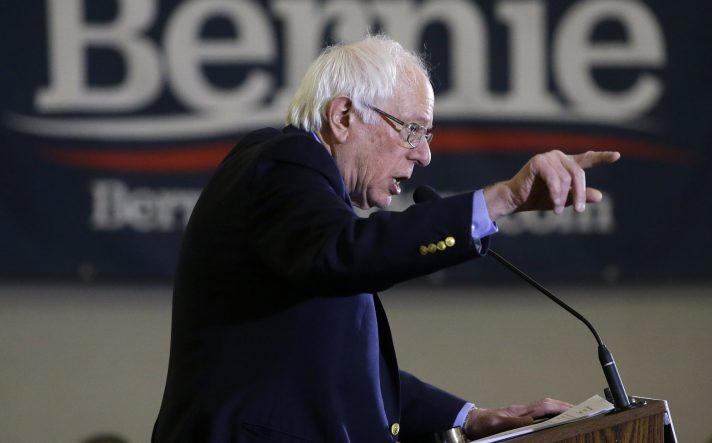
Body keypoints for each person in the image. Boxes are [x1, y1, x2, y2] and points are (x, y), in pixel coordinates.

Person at [152, 34, 620, 443]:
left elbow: (343, 373)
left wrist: (469, 419)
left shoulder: (304, 214)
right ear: (342, 116)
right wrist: (502, 199)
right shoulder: (283, 161)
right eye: (412, 130)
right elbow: (345, 252)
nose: (425, 155)